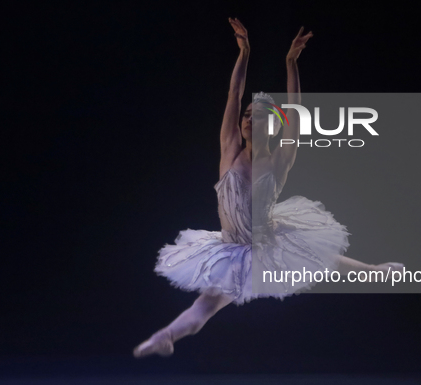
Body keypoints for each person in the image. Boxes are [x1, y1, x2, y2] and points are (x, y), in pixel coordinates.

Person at [133, 18, 404, 358]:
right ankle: (164, 336)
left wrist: (291, 63)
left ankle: (373, 272)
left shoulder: (280, 158)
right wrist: (244, 52)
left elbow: (299, 111)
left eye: (256, 115)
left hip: (266, 241)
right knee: (206, 304)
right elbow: (234, 92)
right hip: (232, 248)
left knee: (317, 256)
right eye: (246, 114)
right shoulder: (229, 148)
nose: (247, 118)